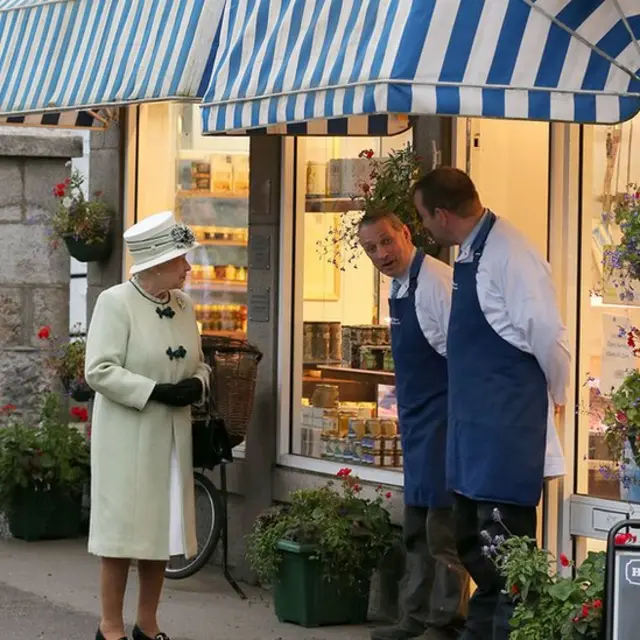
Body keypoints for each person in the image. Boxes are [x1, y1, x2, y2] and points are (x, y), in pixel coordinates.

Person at [413, 168, 568, 640]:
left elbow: (548, 335)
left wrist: (558, 397)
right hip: (472, 435)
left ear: (442, 215)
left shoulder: (511, 254)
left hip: (504, 435)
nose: (424, 229)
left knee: (508, 561)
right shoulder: (470, 253)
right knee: (475, 551)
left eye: (423, 218)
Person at [85, 211, 211, 640]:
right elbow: (98, 370)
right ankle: (111, 628)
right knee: (122, 538)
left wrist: (198, 383)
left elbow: (199, 363)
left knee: (162, 532)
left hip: (171, 437)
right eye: (182, 260)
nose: (189, 268)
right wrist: (154, 391)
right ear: (157, 263)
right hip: (127, 438)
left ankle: (148, 623)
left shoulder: (184, 305)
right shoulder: (115, 303)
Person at [359, 211, 469, 640]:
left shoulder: (437, 283)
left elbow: (460, 356)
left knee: (444, 531)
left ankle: (446, 623)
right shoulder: (399, 285)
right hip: (417, 422)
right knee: (416, 527)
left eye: (386, 241)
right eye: (371, 248)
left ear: (406, 232)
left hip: (443, 420)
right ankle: (414, 617)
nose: (381, 254)